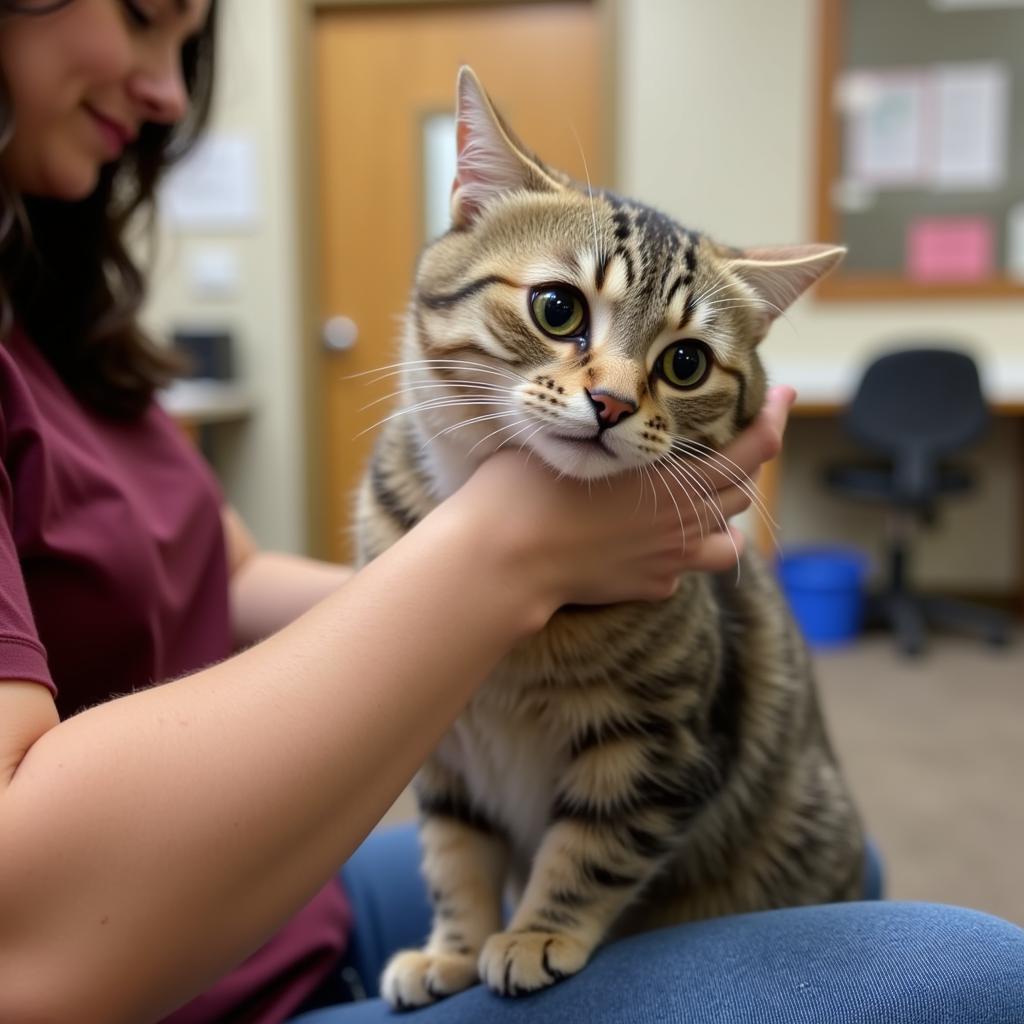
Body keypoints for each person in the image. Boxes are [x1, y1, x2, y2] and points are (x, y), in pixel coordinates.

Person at [0, 3, 1020, 1023]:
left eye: (676, 363)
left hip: (296, 901)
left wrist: (534, 595)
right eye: (559, 310)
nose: (611, 391)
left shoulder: (58, 313)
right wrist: (505, 564)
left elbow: (225, 574)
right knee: (970, 974)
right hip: (177, 973)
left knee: (853, 862)